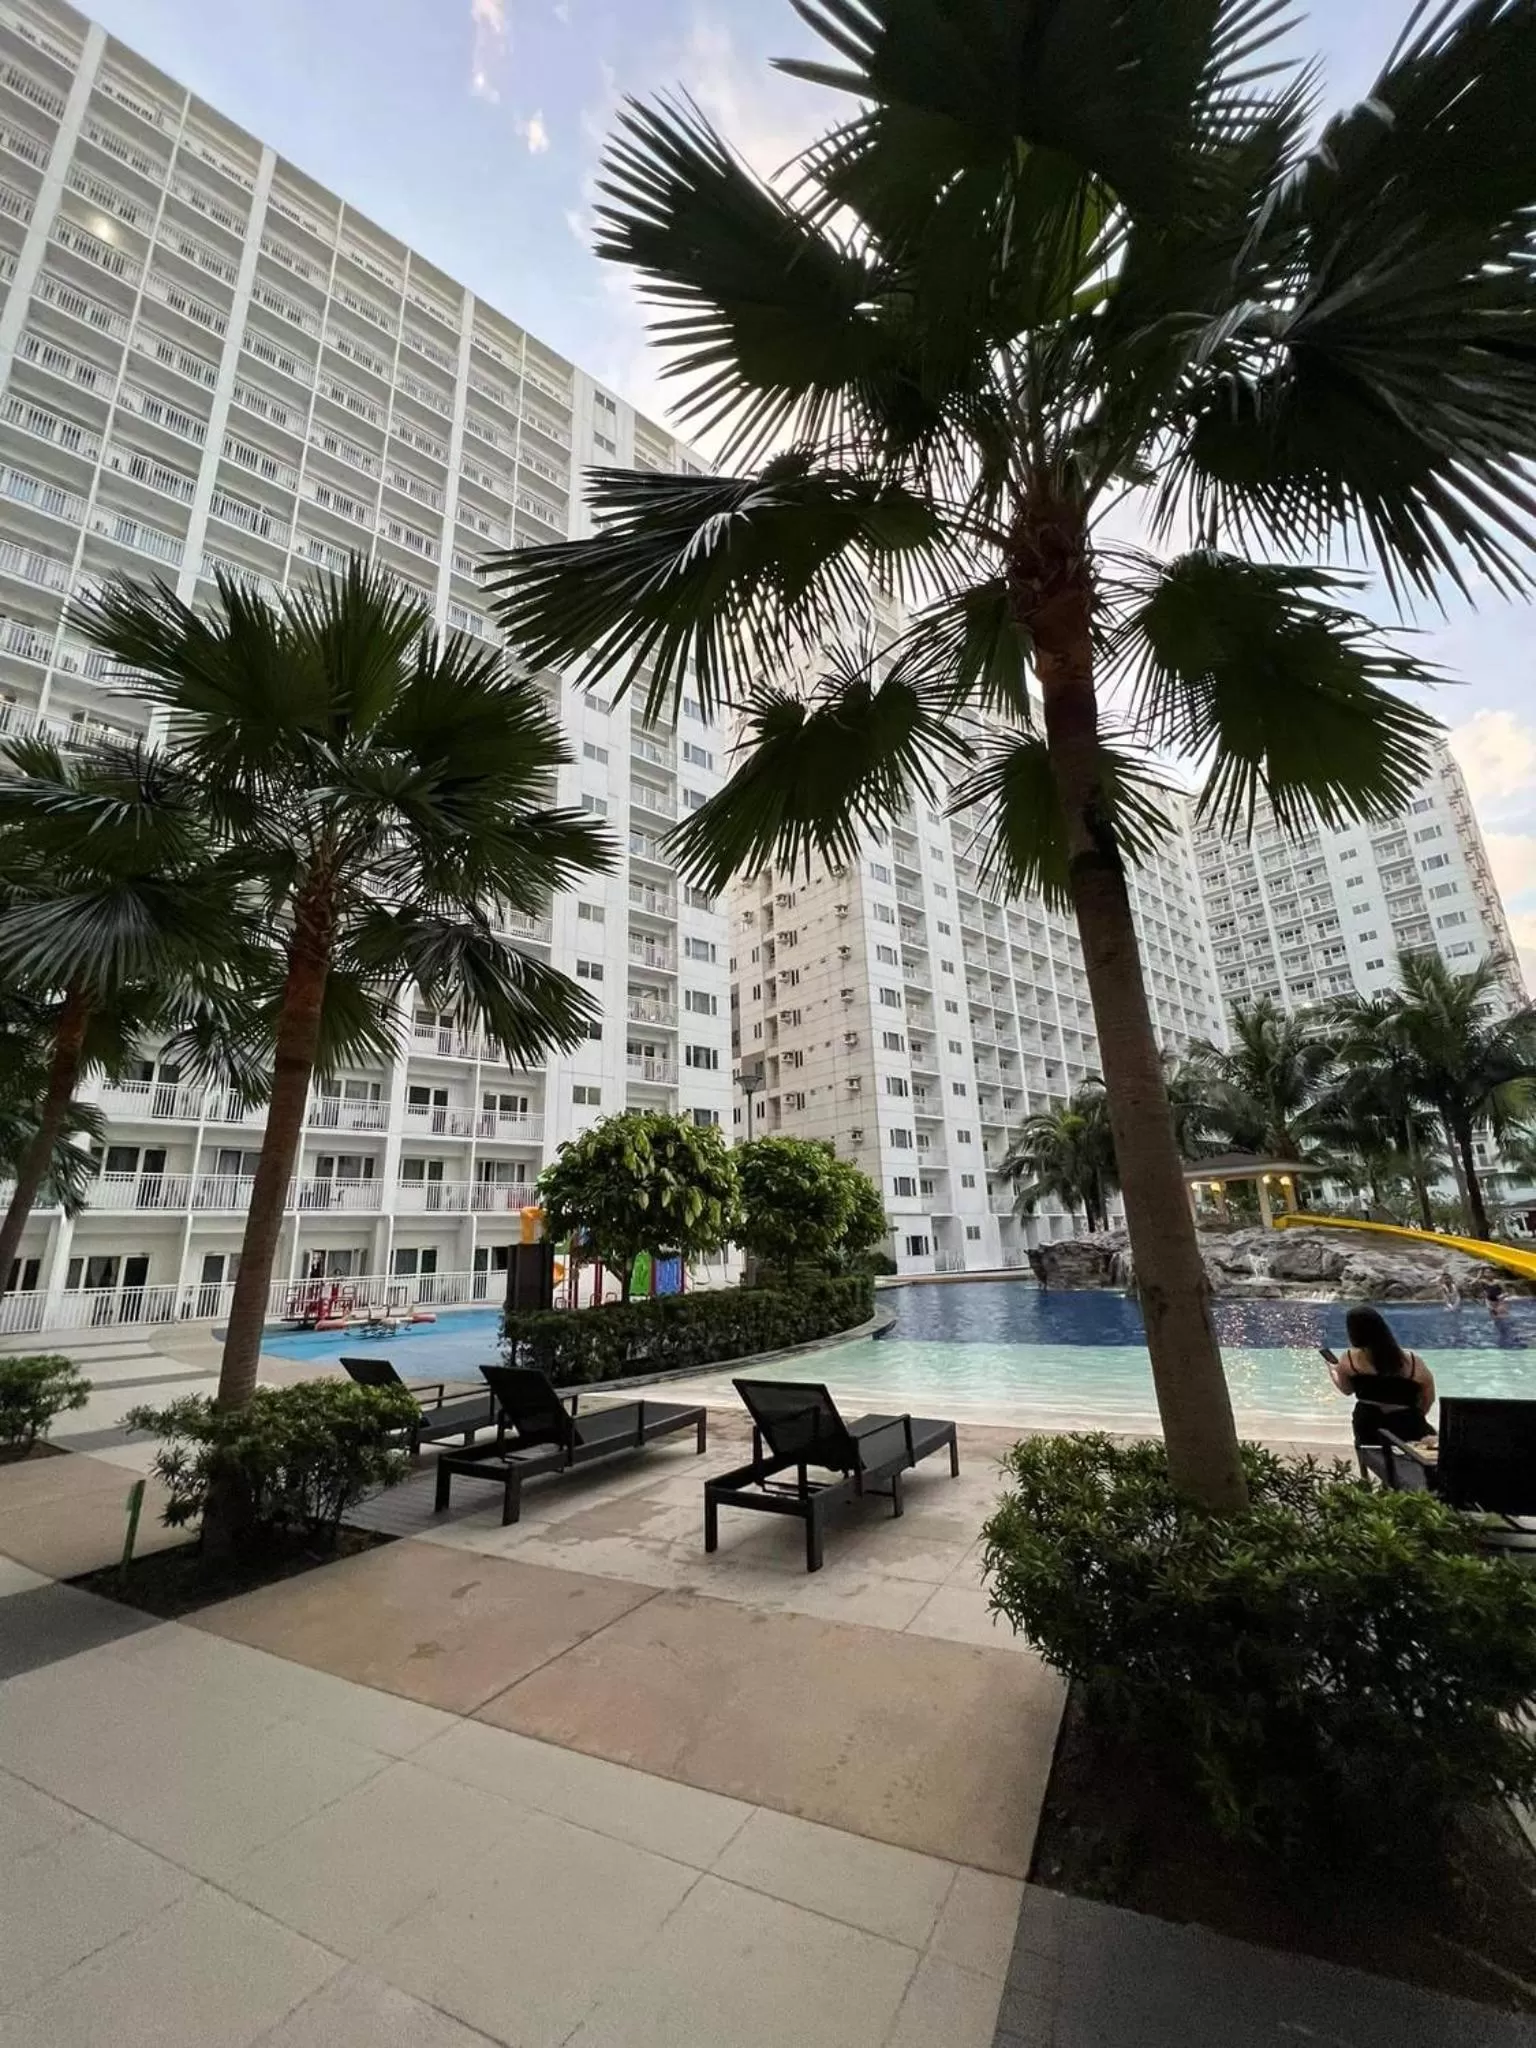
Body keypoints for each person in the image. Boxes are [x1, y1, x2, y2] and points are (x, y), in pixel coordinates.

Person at [1323, 1306, 1437, 1448]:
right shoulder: (1412, 1362)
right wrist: (1415, 1416)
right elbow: (1429, 1397)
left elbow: (1347, 1390)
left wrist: (1333, 1371)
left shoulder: (1350, 1359)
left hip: (1368, 1428)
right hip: (1407, 1426)